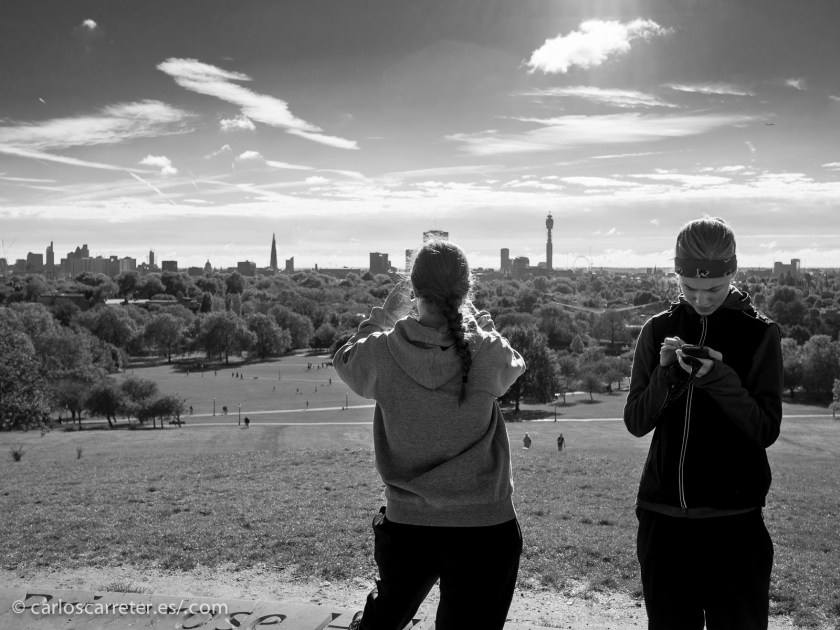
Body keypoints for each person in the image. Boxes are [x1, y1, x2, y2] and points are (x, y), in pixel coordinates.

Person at [334, 239, 526, 630]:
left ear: (413, 290)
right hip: (485, 526)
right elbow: (513, 364)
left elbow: (346, 358)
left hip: (407, 525)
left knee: (382, 621)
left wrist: (380, 318)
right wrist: (483, 326)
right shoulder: (487, 351)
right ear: (466, 291)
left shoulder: (381, 351)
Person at [623, 216, 782, 630]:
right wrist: (666, 375)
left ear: (733, 272)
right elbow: (636, 421)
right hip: (662, 520)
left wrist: (718, 378)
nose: (701, 298)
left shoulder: (760, 334)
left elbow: (765, 428)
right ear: (677, 275)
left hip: (735, 524)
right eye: (689, 287)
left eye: (714, 289)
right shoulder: (657, 329)